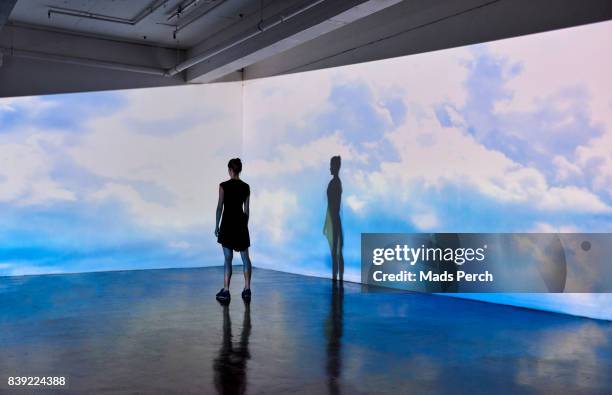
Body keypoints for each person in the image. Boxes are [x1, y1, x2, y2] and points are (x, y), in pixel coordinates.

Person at [215, 158, 252, 301]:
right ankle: (247, 289)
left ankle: (226, 290)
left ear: (230, 170)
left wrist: (216, 225)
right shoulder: (246, 187)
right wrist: (244, 226)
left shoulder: (223, 186)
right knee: (245, 258)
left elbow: (220, 207)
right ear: (240, 170)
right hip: (241, 224)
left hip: (227, 225)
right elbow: (247, 210)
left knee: (227, 259)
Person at [324, 155, 344, 281]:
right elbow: (329, 205)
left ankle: (338, 278)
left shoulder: (336, 183)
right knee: (334, 252)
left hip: (335, 220)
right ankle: (335, 277)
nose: (330, 168)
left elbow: (335, 205)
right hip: (332, 220)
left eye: (331, 166)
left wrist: (331, 222)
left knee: (337, 251)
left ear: (336, 167)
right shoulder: (333, 182)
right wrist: (326, 223)